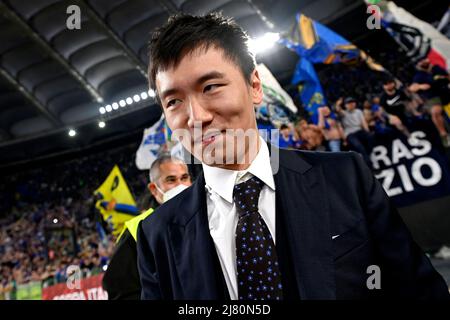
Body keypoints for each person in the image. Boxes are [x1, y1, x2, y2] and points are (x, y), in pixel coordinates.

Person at [137, 12, 449, 300]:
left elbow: (420, 292)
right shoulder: (157, 235)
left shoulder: (345, 177)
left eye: (210, 87)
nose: (196, 116)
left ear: (255, 86)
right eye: (174, 101)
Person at [102, 154, 191, 300]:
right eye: (171, 180)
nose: (180, 185)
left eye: (184, 178)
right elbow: (121, 288)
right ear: (154, 189)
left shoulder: (207, 213)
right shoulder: (138, 228)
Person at [409, 58, 450, 146]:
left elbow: (448, 77)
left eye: (424, 59)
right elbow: (412, 88)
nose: (423, 62)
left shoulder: (437, 68)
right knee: (435, 111)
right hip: (433, 97)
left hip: (445, 92)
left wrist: (443, 78)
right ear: (418, 64)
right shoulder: (419, 75)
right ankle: (444, 134)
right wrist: (420, 86)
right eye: (420, 61)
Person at [335, 97, 374, 165]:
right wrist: (338, 104)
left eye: (352, 102)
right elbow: (338, 110)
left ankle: (367, 155)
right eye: (349, 103)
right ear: (345, 105)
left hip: (359, 131)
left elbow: (363, 122)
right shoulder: (344, 113)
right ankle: (369, 164)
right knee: (359, 146)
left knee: (371, 136)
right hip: (350, 134)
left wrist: (367, 132)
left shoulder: (358, 111)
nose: (351, 104)